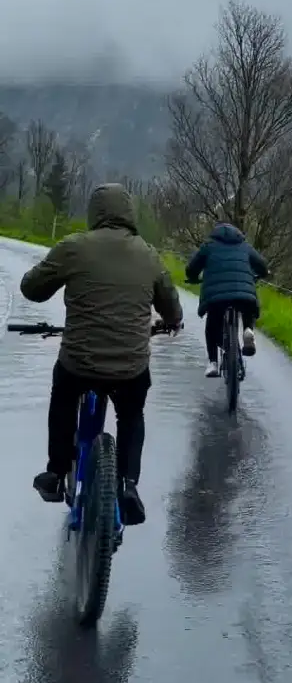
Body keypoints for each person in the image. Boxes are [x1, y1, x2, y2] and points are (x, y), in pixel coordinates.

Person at [19, 183, 183, 525]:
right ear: (129, 215)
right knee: (132, 412)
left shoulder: (75, 247)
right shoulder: (149, 254)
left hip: (80, 362)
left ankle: (56, 470)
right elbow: (171, 307)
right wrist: (171, 322)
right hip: (130, 367)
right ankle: (128, 484)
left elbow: (31, 288)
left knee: (63, 393)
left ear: (95, 213)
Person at [185, 222, 268, 377]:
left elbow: (191, 268)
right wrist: (260, 275)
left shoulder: (208, 246)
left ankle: (213, 363)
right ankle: (247, 330)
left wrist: (193, 278)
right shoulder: (245, 246)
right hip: (244, 295)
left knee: (212, 324)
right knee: (247, 305)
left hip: (217, 297)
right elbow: (262, 266)